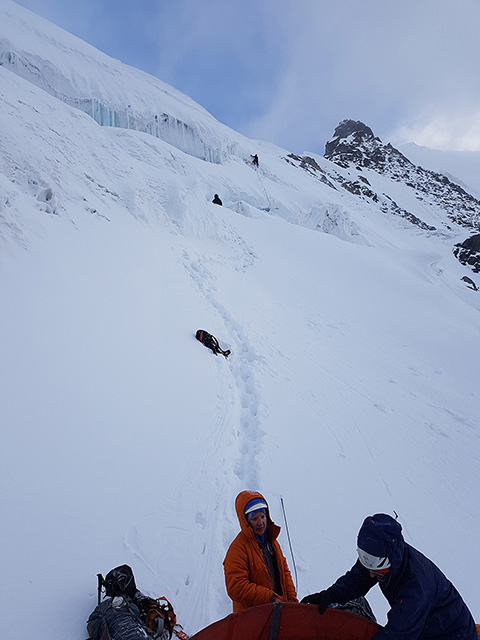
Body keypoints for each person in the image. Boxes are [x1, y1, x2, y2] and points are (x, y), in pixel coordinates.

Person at [301, 513, 477, 639]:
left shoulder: (415, 588)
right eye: (366, 562)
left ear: (391, 559)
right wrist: (332, 595)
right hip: (420, 627)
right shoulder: (378, 557)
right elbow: (358, 579)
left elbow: (398, 634)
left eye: (377, 568)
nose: (371, 573)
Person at [223, 491, 298, 612]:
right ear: (246, 521)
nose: (260, 522)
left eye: (263, 517)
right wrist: (270, 597)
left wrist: (291, 596)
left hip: (277, 611)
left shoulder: (272, 542)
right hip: (252, 618)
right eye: (254, 518)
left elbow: (283, 570)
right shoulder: (237, 549)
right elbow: (236, 587)